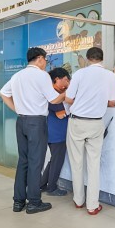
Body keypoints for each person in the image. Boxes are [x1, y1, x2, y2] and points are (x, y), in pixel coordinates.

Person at [0, 47, 66, 214]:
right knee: (36, 162)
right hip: (36, 123)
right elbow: (54, 99)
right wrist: (67, 93)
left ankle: (18, 202)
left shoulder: (18, 75)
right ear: (39, 58)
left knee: (23, 161)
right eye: (45, 59)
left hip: (21, 121)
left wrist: (17, 109)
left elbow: (3, 93)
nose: (45, 63)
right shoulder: (41, 75)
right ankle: (34, 202)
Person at [65, 47, 115, 215]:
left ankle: (78, 200)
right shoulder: (110, 76)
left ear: (88, 58)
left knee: (76, 163)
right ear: (102, 59)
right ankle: (92, 205)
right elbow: (112, 102)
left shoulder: (79, 74)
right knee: (94, 164)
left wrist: (82, 100)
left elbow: (68, 98)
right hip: (96, 123)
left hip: (76, 122)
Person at [41, 68, 71, 196]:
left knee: (54, 159)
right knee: (57, 161)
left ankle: (42, 184)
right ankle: (52, 188)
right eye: (66, 80)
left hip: (53, 132)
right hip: (57, 133)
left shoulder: (52, 93)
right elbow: (61, 114)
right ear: (57, 79)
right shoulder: (53, 94)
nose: (67, 83)